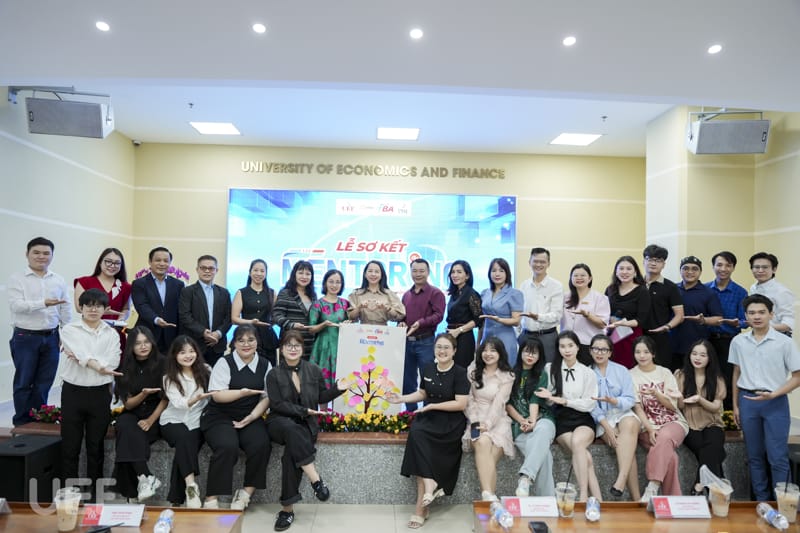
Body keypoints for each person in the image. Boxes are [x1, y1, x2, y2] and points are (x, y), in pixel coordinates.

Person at [266, 330, 348, 531]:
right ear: (281, 349)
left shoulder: (314, 370)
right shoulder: (273, 374)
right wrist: (304, 411)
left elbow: (321, 397)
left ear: (303, 348)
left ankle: (287, 511)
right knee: (291, 429)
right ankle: (316, 481)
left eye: (297, 345)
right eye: (289, 345)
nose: (293, 349)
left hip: (305, 424)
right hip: (279, 421)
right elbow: (277, 404)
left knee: (290, 457)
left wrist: (338, 389)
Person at [387, 333, 469, 530]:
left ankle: (421, 509)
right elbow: (423, 393)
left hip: (450, 422)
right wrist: (401, 399)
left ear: (454, 351)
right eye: (439, 347)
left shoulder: (460, 373)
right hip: (429, 417)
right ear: (434, 349)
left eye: (446, 347)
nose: (442, 351)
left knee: (421, 440)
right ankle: (429, 484)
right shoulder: (428, 368)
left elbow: (461, 404)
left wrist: (432, 406)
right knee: (416, 432)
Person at [730, 294, 800, 501]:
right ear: (746, 316)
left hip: (775, 402)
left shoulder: (784, 342)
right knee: (754, 456)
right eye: (752, 313)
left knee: (778, 457)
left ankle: (784, 503)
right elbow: (736, 373)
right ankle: (761, 502)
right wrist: (735, 405)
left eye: (762, 312)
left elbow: (797, 376)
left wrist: (775, 394)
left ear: (771, 314)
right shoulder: (738, 341)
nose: (757, 316)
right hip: (747, 401)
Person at [58, 288, 121, 502]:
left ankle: (95, 493)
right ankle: (69, 491)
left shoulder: (111, 333)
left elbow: (113, 362)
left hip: (100, 393)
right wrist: (96, 363)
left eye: (98, 306)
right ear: (81, 308)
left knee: (96, 446)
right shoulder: (69, 330)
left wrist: (85, 360)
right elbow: (81, 353)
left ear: (105, 309)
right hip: (73, 392)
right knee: (70, 445)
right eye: (89, 305)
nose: (93, 310)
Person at [200, 324, 271, 510]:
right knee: (227, 445)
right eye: (241, 340)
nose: (246, 344)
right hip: (219, 415)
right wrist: (241, 393)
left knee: (261, 444)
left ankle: (245, 494)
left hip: (250, 415)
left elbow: (266, 397)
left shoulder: (265, 364)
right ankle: (211, 497)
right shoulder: (224, 362)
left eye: (251, 340)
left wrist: (252, 417)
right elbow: (217, 396)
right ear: (234, 343)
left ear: (257, 342)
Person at [8, 236, 72, 426]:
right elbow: (16, 306)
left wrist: (65, 335)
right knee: (24, 383)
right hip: (25, 337)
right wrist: (43, 303)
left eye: (46, 253)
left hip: (52, 337)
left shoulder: (58, 280)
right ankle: (22, 423)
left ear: (52, 255)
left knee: (44, 383)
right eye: (36, 252)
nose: (41, 256)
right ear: (27, 254)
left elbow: (65, 309)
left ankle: (39, 421)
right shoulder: (17, 279)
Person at [535, 330, 601, 502]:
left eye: (570, 345)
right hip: (561, 420)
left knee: (578, 442)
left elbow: (589, 404)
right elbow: (548, 400)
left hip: (583, 419)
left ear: (578, 347)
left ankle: (583, 495)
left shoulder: (587, 372)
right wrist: (549, 398)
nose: (567, 350)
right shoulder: (550, 368)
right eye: (562, 346)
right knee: (585, 457)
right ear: (558, 349)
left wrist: (565, 401)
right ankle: (598, 501)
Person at [629, 335, 688, 501]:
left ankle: (652, 487)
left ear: (653, 353)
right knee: (671, 457)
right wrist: (649, 429)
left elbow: (673, 406)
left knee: (665, 436)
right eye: (638, 352)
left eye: (646, 352)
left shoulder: (665, 373)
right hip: (647, 425)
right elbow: (637, 407)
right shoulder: (630, 375)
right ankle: (674, 501)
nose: (642, 356)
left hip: (673, 422)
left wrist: (657, 393)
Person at [112, 326, 167, 502]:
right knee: (124, 425)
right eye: (138, 343)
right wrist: (143, 394)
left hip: (156, 413)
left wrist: (150, 420)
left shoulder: (164, 363)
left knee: (129, 437)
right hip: (133, 410)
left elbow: (166, 399)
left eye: (146, 342)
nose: (143, 346)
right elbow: (128, 403)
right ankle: (146, 477)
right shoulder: (125, 367)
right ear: (131, 347)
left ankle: (133, 493)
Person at [160, 335, 211, 508]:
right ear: (175, 355)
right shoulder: (169, 377)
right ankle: (191, 485)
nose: (188, 355)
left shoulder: (206, 370)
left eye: (191, 351)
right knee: (184, 438)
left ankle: (176, 499)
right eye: (182, 352)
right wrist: (195, 398)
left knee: (184, 447)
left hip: (197, 421)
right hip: (172, 420)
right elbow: (178, 404)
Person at [462, 337, 515, 501]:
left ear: (500, 353)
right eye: (485, 350)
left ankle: (488, 497)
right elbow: (469, 399)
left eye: (493, 350)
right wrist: (475, 420)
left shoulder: (507, 376)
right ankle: (490, 498)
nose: (488, 354)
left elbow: (499, 403)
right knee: (483, 442)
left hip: (498, 421)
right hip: (475, 417)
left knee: (489, 457)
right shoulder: (473, 370)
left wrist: (488, 423)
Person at [589, 334, 641, 500]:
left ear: (610, 352)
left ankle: (621, 480)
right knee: (626, 449)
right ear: (590, 351)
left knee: (631, 423)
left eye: (604, 349)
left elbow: (630, 399)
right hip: (603, 418)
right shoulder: (587, 373)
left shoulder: (621, 370)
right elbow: (590, 405)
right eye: (596, 349)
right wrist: (607, 428)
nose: (599, 353)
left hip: (622, 411)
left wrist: (615, 401)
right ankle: (636, 499)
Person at [674, 339, 727, 495]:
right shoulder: (680, 375)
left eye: (703, 355)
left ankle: (699, 484)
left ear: (710, 358)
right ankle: (716, 487)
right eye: (694, 354)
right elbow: (679, 406)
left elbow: (715, 407)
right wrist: (679, 397)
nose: (697, 358)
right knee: (714, 451)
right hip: (689, 424)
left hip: (712, 422)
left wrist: (700, 400)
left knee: (713, 442)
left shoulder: (716, 378)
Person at [506, 337, 555, 497]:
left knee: (542, 430)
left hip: (541, 419)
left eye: (534, 353)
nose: (530, 355)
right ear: (520, 352)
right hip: (519, 425)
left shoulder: (541, 374)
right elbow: (507, 404)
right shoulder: (510, 374)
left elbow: (535, 400)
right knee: (544, 456)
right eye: (527, 351)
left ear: (540, 356)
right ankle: (548, 501)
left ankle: (525, 477)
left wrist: (533, 421)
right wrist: (522, 420)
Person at [400, 259, 445, 411]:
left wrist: (421, 322)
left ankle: (427, 414)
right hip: (407, 342)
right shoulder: (406, 295)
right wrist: (401, 323)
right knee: (407, 381)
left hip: (426, 342)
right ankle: (410, 413)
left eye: (421, 271)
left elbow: (438, 315)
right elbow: (402, 316)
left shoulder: (436, 293)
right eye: (414, 271)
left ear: (428, 272)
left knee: (428, 380)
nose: (418, 274)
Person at [705, 251, 747, 411]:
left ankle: (729, 417)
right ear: (713, 267)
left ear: (733, 268)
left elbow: (745, 321)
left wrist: (737, 323)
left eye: (728, 265)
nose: (723, 269)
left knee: (728, 379)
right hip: (706, 339)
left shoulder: (740, 292)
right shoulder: (705, 289)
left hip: (728, 341)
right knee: (706, 378)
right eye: (719, 265)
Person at [670, 256, 723, 371]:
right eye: (686, 268)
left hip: (697, 350)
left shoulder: (708, 293)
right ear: (680, 270)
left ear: (700, 272)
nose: (690, 272)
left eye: (694, 269)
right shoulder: (672, 289)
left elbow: (718, 319)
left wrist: (703, 320)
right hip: (671, 346)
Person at [74, 247, 132, 353]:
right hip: (90, 331)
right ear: (100, 262)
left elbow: (126, 309)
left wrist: (121, 319)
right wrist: (101, 311)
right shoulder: (84, 282)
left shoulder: (126, 287)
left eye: (117, 263)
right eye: (108, 261)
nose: (112, 266)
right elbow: (79, 307)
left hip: (115, 333)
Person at [178, 255, 232, 367]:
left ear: (216, 270)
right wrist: (203, 332)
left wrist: (218, 334)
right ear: (197, 269)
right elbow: (185, 316)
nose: (207, 271)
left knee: (216, 377)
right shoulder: (188, 291)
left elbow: (228, 318)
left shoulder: (224, 293)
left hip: (217, 345)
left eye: (211, 268)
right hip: (194, 345)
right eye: (203, 268)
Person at [131, 246, 184, 352]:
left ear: (170, 263)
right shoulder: (139, 284)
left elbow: (181, 310)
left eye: (166, 261)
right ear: (150, 262)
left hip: (171, 336)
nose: (162, 264)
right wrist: (156, 319)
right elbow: (142, 306)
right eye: (158, 260)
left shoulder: (178, 284)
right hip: (147, 334)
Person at [518, 247, 564, 364]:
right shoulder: (524, 285)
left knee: (547, 369)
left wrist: (538, 317)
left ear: (548, 263)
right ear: (529, 262)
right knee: (524, 369)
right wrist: (517, 334)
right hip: (526, 335)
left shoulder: (556, 286)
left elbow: (557, 315)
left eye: (542, 262)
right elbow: (519, 313)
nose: (538, 264)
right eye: (535, 261)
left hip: (547, 337)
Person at [641, 244, 684, 368]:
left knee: (660, 371)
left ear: (664, 264)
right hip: (636, 335)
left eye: (658, 260)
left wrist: (666, 327)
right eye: (650, 259)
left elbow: (679, 315)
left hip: (660, 338)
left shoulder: (670, 287)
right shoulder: (636, 284)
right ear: (644, 261)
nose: (653, 263)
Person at [605, 256, 650, 369]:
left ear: (635, 272)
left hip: (631, 337)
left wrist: (622, 323)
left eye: (629, 269)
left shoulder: (642, 291)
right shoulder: (610, 289)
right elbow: (603, 311)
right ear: (616, 272)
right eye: (621, 268)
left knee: (629, 368)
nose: (625, 272)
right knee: (611, 368)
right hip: (612, 335)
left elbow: (641, 320)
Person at [231, 259, 279, 367]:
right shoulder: (241, 292)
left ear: (266, 273)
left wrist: (273, 322)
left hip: (267, 338)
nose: (259, 273)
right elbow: (234, 318)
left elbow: (276, 315)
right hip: (246, 335)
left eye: (262, 271)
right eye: (255, 270)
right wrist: (251, 322)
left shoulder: (272, 293)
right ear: (250, 272)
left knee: (268, 369)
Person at [308, 269, 350, 388]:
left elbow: (352, 325)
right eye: (331, 281)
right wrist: (323, 324)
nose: (334, 285)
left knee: (342, 382)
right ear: (325, 283)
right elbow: (311, 329)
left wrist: (348, 324)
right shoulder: (317, 304)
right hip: (323, 347)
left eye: (338, 282)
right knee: (321, 383)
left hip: (341, 346)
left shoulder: (346, 303)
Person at [561, 263, 610, 365]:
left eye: (583, 275)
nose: (579, 278)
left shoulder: (600, 298)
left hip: (588, 345)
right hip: (566, 345)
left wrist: (587, 315)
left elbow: (602, 324)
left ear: (590, 278)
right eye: (575, 275)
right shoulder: (564, 297)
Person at [479, 258, 524, 365]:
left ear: (507, 273)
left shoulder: (514, 293)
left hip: (505, 337)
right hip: (487, 336)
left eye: (501, 271)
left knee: (505, 369)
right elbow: (482, 320)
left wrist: (499, 319)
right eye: (494, 271)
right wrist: (479, 342)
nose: (497, 274)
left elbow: (516, 321)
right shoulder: (485, 293)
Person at [273, 260, 317, 357]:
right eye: (300, 273)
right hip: (291, 343)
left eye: (308, 274)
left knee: (308, 367)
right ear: (294, 274)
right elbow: (276, 316)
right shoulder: (285, 293)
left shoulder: (313, 295)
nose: (304, 277)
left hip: (309, 344)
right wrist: (292, 325)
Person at [444, 260, 483, 368]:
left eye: (459, 272)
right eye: (453, 272)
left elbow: (478, 319)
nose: (455, 275)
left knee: (461, 370)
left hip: (464, 338)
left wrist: (459, 330)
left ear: (467, 276)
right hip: (451, 336)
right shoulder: (454, 293)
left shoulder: (471, 294)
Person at [749, 252, 795, 336]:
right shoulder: (753, 288)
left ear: (774, 269)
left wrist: (764, 327)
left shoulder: (782, 291)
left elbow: (789, 323)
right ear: (752, 269)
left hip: (779, 335)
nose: (760, 270)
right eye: (757, 267)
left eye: (765, 267)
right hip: (758, 334)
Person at [346, 260, 405, 325]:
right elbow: (350, 317)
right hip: (362, 329)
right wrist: (359, 307)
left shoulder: (389, 294)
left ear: (381, 275)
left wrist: (387, 308)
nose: (373, 274)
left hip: (384, 330)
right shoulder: (356, 294)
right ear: (365, 274)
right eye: (370, 271)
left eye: (377, 272)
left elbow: (400, 316)